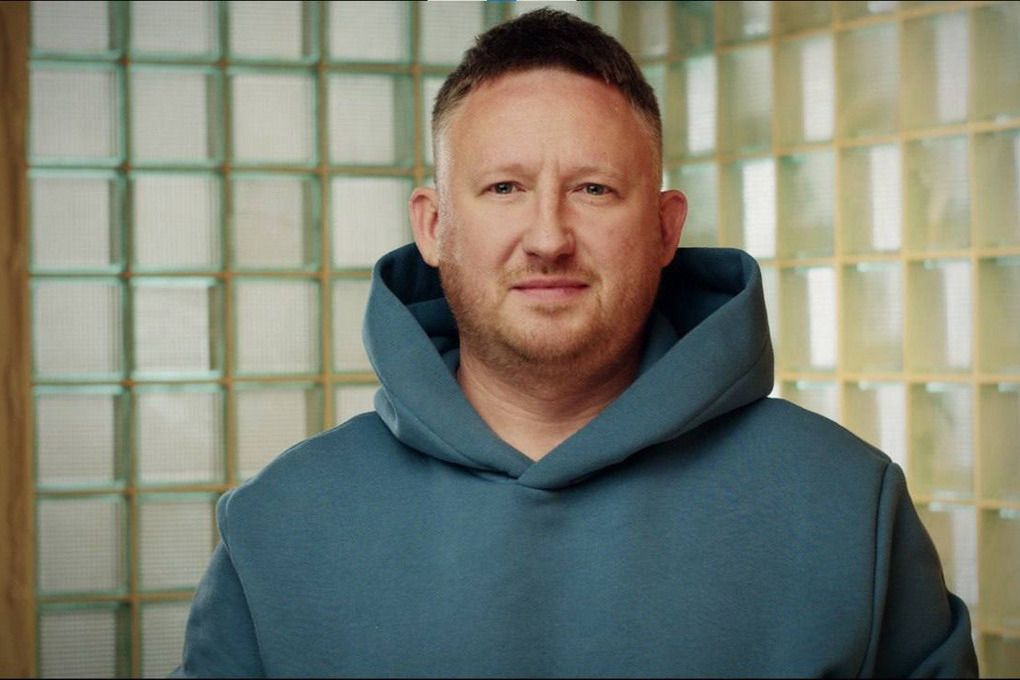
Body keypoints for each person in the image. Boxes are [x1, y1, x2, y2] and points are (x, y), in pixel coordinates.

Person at [174, 9, 977, 677]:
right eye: (505, 187)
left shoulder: (847, 507)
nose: (549, 237)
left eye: (593, 189)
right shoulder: (278, 527)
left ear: (664, 228)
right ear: (433, 225)